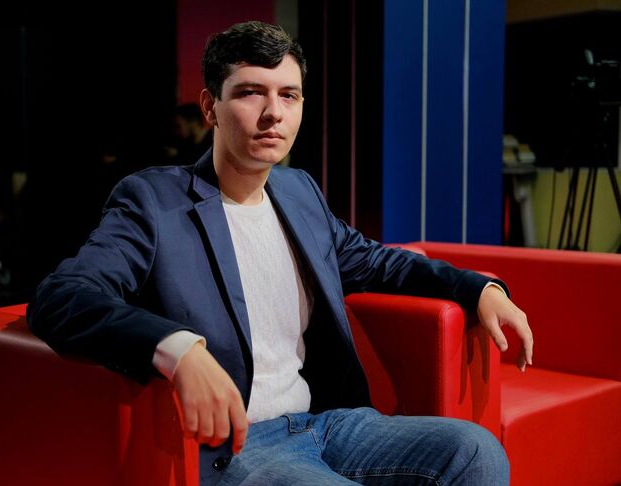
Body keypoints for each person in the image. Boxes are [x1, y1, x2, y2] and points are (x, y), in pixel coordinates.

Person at [28, 21, 533, 485]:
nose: (274, 113)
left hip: (325, 422)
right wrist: (178, 350)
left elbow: (377, 261)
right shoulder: (154, 202)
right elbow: (62, 296)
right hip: (236, 445)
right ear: (210, 107)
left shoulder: (298, 192)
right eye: (251, 93)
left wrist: (478, 288)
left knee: (475, 451)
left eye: (288, 95)